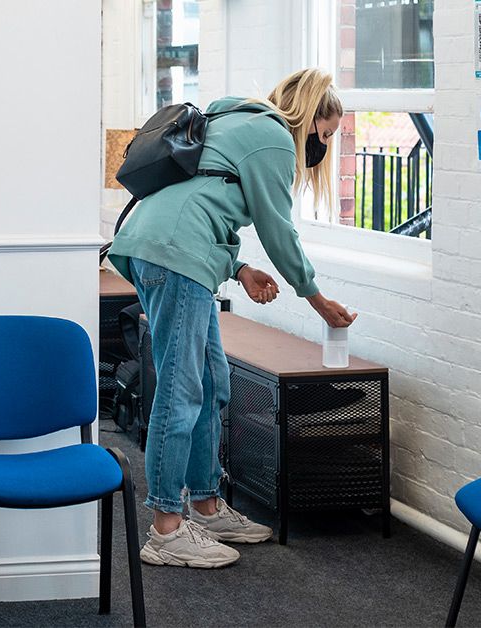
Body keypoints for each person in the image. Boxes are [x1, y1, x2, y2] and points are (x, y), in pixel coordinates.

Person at [106, 68, 357, 568]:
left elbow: (203, 199)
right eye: (325, 135)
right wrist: (317, 298)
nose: (323, 147)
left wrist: (238, 269)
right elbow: (277, 227)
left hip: (173, 251)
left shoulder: (233, 120)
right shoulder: (272, 137)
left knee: (213, 380)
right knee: (181, 390)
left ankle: (205, 502)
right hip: (177, 256)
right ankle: (165, 527)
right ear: (309, 117)